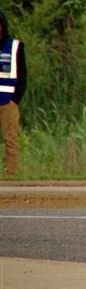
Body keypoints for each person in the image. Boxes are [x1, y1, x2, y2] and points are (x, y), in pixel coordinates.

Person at [0, 10, 26, 176]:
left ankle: (11, 173)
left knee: (11, 138)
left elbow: (23, 75)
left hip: (8, 102)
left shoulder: (16, 46)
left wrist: (15, 99)